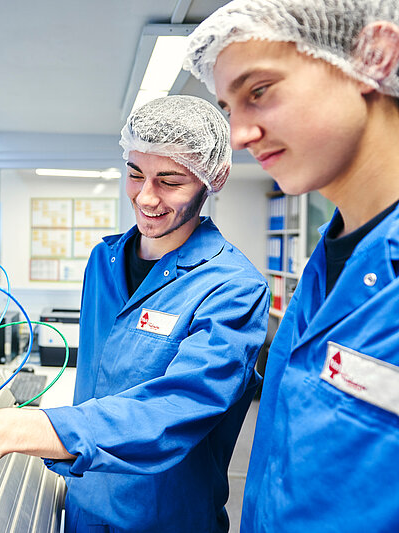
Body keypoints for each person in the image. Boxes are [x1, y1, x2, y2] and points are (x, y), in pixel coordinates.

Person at [0, 95, 270, 532]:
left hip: (161, 519)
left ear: (213, 178)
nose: (147, 196)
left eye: (170, 180)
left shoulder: (233, 288)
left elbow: (173, 410)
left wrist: (11, 429)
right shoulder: (105, 261)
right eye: (135, 173)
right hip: (81, 502)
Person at [184, 1, 399, 531]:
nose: (237, 136)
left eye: (259, 92)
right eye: (229, 108)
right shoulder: (327, 264)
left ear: (374, 56)